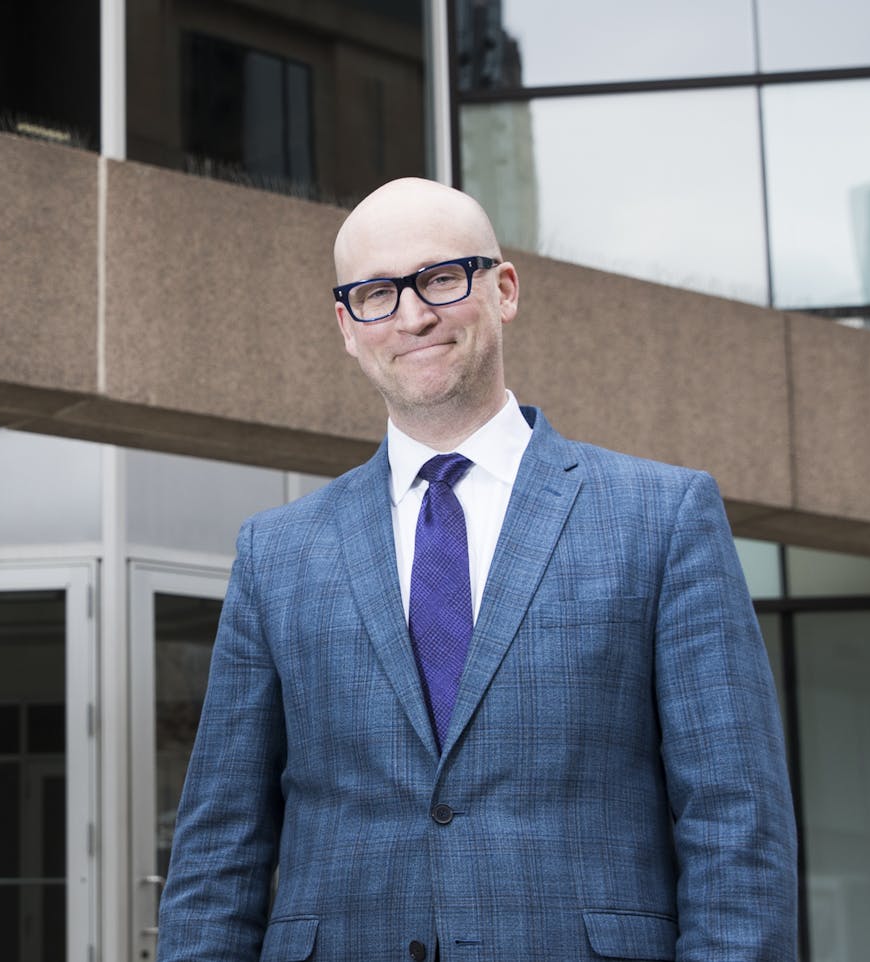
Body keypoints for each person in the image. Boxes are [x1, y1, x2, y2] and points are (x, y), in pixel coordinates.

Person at [156, 178, 797, 962]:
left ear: (504, 289)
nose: (412, 315)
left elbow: (737, 825)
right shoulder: (275, 554)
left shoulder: (663, 518)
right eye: (376, 294)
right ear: (346, 326)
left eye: (440, 278)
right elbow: (218, 850)